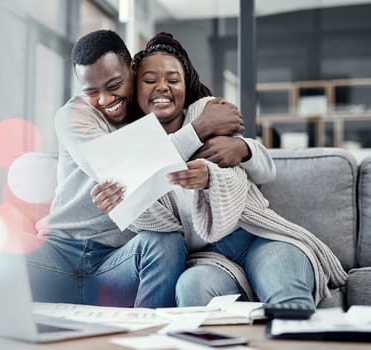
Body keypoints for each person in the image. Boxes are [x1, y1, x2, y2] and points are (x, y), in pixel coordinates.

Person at [99, 32, 346, 307]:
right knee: (192, 288)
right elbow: (153, 221)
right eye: (150, 80)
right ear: (136, 89)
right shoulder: (132, 149)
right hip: (209, 258)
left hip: (257, 236)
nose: (163, 87)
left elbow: (261, 172)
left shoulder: (207, 111)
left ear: (185, 85)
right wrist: (128, 195)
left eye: (173, 79)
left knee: (284, 293)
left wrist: (242, 149)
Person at [26, 29, 258, 307]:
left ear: (133, 69)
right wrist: (201, 127)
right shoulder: (73, 116)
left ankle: (148, 336)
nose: (105, 99)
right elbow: (117, 169)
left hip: (118, 262)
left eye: (114, 85)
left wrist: (245, 149)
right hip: (59, 252)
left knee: (165, 242)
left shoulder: (159, 117)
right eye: (91, 91)